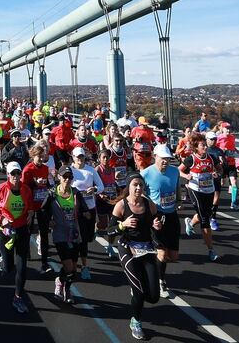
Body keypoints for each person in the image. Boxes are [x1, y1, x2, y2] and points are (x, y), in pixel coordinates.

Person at [108, 173, 164, 340]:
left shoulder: (149, 204)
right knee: (139, 292)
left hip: (146, 249)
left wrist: (157, 224)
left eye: (141, 185)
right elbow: (109, 231)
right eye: (135, 185)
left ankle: (137, 296)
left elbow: (158, 220)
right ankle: (136, 321)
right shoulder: (121, 206)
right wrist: (122, 225)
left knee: (153, 296)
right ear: (128, 187)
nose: (139, 188)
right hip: (127, 249)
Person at [0, 162, 33, 313]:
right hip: (5, 231)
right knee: (8, 268)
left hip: (21, 231)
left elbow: (30, 206)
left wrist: (31, 213)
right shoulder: (0, 189)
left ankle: (18, 298)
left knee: (22, 268)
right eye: (12, 174)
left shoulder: (26, 189)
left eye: (18, 173)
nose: (15, 177)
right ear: (7, 175)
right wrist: (1, 219)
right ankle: (2, 262)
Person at [41, 165, 90, 304]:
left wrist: (85, 214)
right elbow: (42, 211)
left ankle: (66, 288)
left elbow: (84, 209)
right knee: (68, 266)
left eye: (70, 177)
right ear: (59, 177)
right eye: (65, 177)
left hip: (74, 233)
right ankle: (59, 281)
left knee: (74, 268)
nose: (67, 180)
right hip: (60, 234)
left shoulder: (76, 193)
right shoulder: (52, 194)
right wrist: (49, 221)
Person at [141, 145, 181, 299]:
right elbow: (140, 194)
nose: (165, 161)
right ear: (154, 156)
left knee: (174, 256)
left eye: (168, 158)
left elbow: (177, 187)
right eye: (162, 158)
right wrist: (148, 215)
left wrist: (178, 199)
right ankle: (160, 281)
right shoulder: (145, 173)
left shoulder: (174, 171)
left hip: (172, 215)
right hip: (156, 216)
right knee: (162, 254)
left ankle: (152, 264)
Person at [180, 133, 221, 262]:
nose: (205, 147)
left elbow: (220, 169)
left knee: (206, 214)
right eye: (202, 145)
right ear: (196, 147)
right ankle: (211, 250)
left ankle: (190, 222)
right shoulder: (191, 159)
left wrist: (217, 173)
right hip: (195, 189)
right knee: (205, 219)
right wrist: (186, 176)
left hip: (209, 189)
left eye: (205, 145)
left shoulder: (212, 158)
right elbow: (178, 170)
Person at [69, 147, 104, 280]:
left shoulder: (90, 170)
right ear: (73, 157)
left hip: (90, 208)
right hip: (76, 210)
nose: (79, 159)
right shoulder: (70, 171)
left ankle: (79, 264)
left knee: (87, 238)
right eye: (77, 156)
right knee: (79, 240)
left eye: (82, 156)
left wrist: (94, 189)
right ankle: (81, 266)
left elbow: (101, 187)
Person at [21, 144, 52, 274]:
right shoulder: (28, 170)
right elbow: (23, 188)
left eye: (43, 156)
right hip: (30, 206)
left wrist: (49, 187)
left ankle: (44, 263)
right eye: (39, 156)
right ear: (33, 155)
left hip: (42, 205)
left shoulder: (45, 168)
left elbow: (48, 184)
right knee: (27, 231)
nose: (41, 159)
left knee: (44, 233)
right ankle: (25, 254)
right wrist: (35, 183)